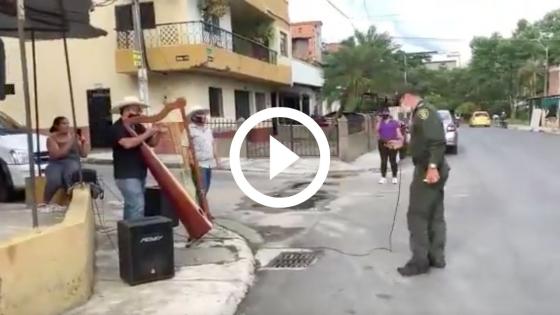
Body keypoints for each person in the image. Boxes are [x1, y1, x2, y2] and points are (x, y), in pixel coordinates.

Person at [396, 90, 450, 277]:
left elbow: (436, 142)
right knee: (434, 214)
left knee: (417, 215)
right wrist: (402, 145)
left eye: (402, 100)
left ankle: (419, 262)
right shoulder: (422, 112)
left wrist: (432, 167)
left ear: (408, 96)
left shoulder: (423, 112)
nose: (402, 104)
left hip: (429, 169)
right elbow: (422, 141)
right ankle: (436, 257)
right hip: (432, 167)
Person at [111, 96, 163, 220]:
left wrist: (159, 133)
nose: (140, 113)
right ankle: (136, 235)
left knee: (131, 206)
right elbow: (127, 143)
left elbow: (151, 143)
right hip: (126, 174)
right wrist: (147, 133)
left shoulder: (138, 127)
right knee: (137, 205)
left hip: (139, 171)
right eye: (137, 110)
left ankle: (128, 235)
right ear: (127, 110)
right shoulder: (117, 127)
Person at [44, 116, 90, 203]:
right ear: (57, 126)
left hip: (72, 161)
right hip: (56, 163)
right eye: (64, 123)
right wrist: (70, 142)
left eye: (68, 123)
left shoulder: (73, 137)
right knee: (54, 180)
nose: (67, 126)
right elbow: (58, 154)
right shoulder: (51, 139)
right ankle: (45, 202)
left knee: (70, 176)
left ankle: (72, 201)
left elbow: (83, 154)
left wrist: (83, 143)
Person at [187, 106, 221, 195]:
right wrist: (191, 161)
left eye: (203, 114)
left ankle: (201, 206)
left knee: (207, 187)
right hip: (199, 164)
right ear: (194, 117)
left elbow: (213, 143)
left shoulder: (208, 129)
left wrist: (217, 159)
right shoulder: (189, 130)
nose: (203, 116)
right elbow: (186, 147)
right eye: (200, 114)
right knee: (202, 189)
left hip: (209, 163)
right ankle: (199, 207)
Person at [376, 109, 403, 184]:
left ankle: (394, 177)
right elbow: (377, 130)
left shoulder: (394, 122)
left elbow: (398, 132)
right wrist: (379, 120)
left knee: (393, 160)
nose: (384, 115)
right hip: (382, 143)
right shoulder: (380, 123)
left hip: (392, 143)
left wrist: (400, 140)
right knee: (383, 160)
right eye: (383, 114)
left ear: (388, 114)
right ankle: (383, 177)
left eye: (385, 113)